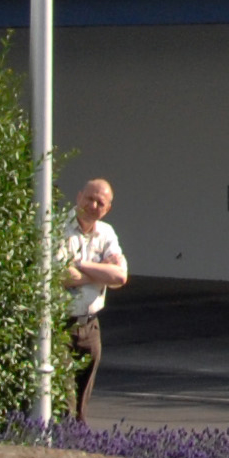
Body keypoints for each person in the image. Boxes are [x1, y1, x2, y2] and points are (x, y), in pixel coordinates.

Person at [61, 178, 128, 421]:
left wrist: (81, 266)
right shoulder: (58, 228)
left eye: (100, 202)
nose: (93, 205)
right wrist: (101, 271)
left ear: (107, 208)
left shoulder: (106, 233)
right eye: (89, 198)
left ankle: (76, 447)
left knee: (82, 400)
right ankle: (60, 444)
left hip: (90, 326)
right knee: (64, 399)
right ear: (78, 196)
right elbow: (61, 275)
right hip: (60, 326)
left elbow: (120, 276)